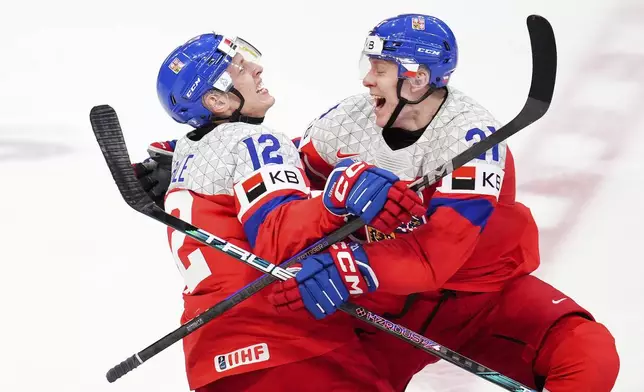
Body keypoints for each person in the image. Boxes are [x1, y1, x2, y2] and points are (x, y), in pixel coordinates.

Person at [268, 14, 620, 392]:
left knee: (587, 350)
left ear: (416, 79)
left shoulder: (470, 136)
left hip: (480, 296)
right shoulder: (349, 120)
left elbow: (436, 255)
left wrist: (343, 268)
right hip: (389, 302)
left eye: (380, 69)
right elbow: (290, 184)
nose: (367, 79)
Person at [151, 32, 424, 391]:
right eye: (239, 68)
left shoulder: (186, 152)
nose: (257, 69)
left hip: (213, 358)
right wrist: (335, 198)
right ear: (216, 101)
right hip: (288, 347)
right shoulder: (255, 141)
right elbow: (277, 234)